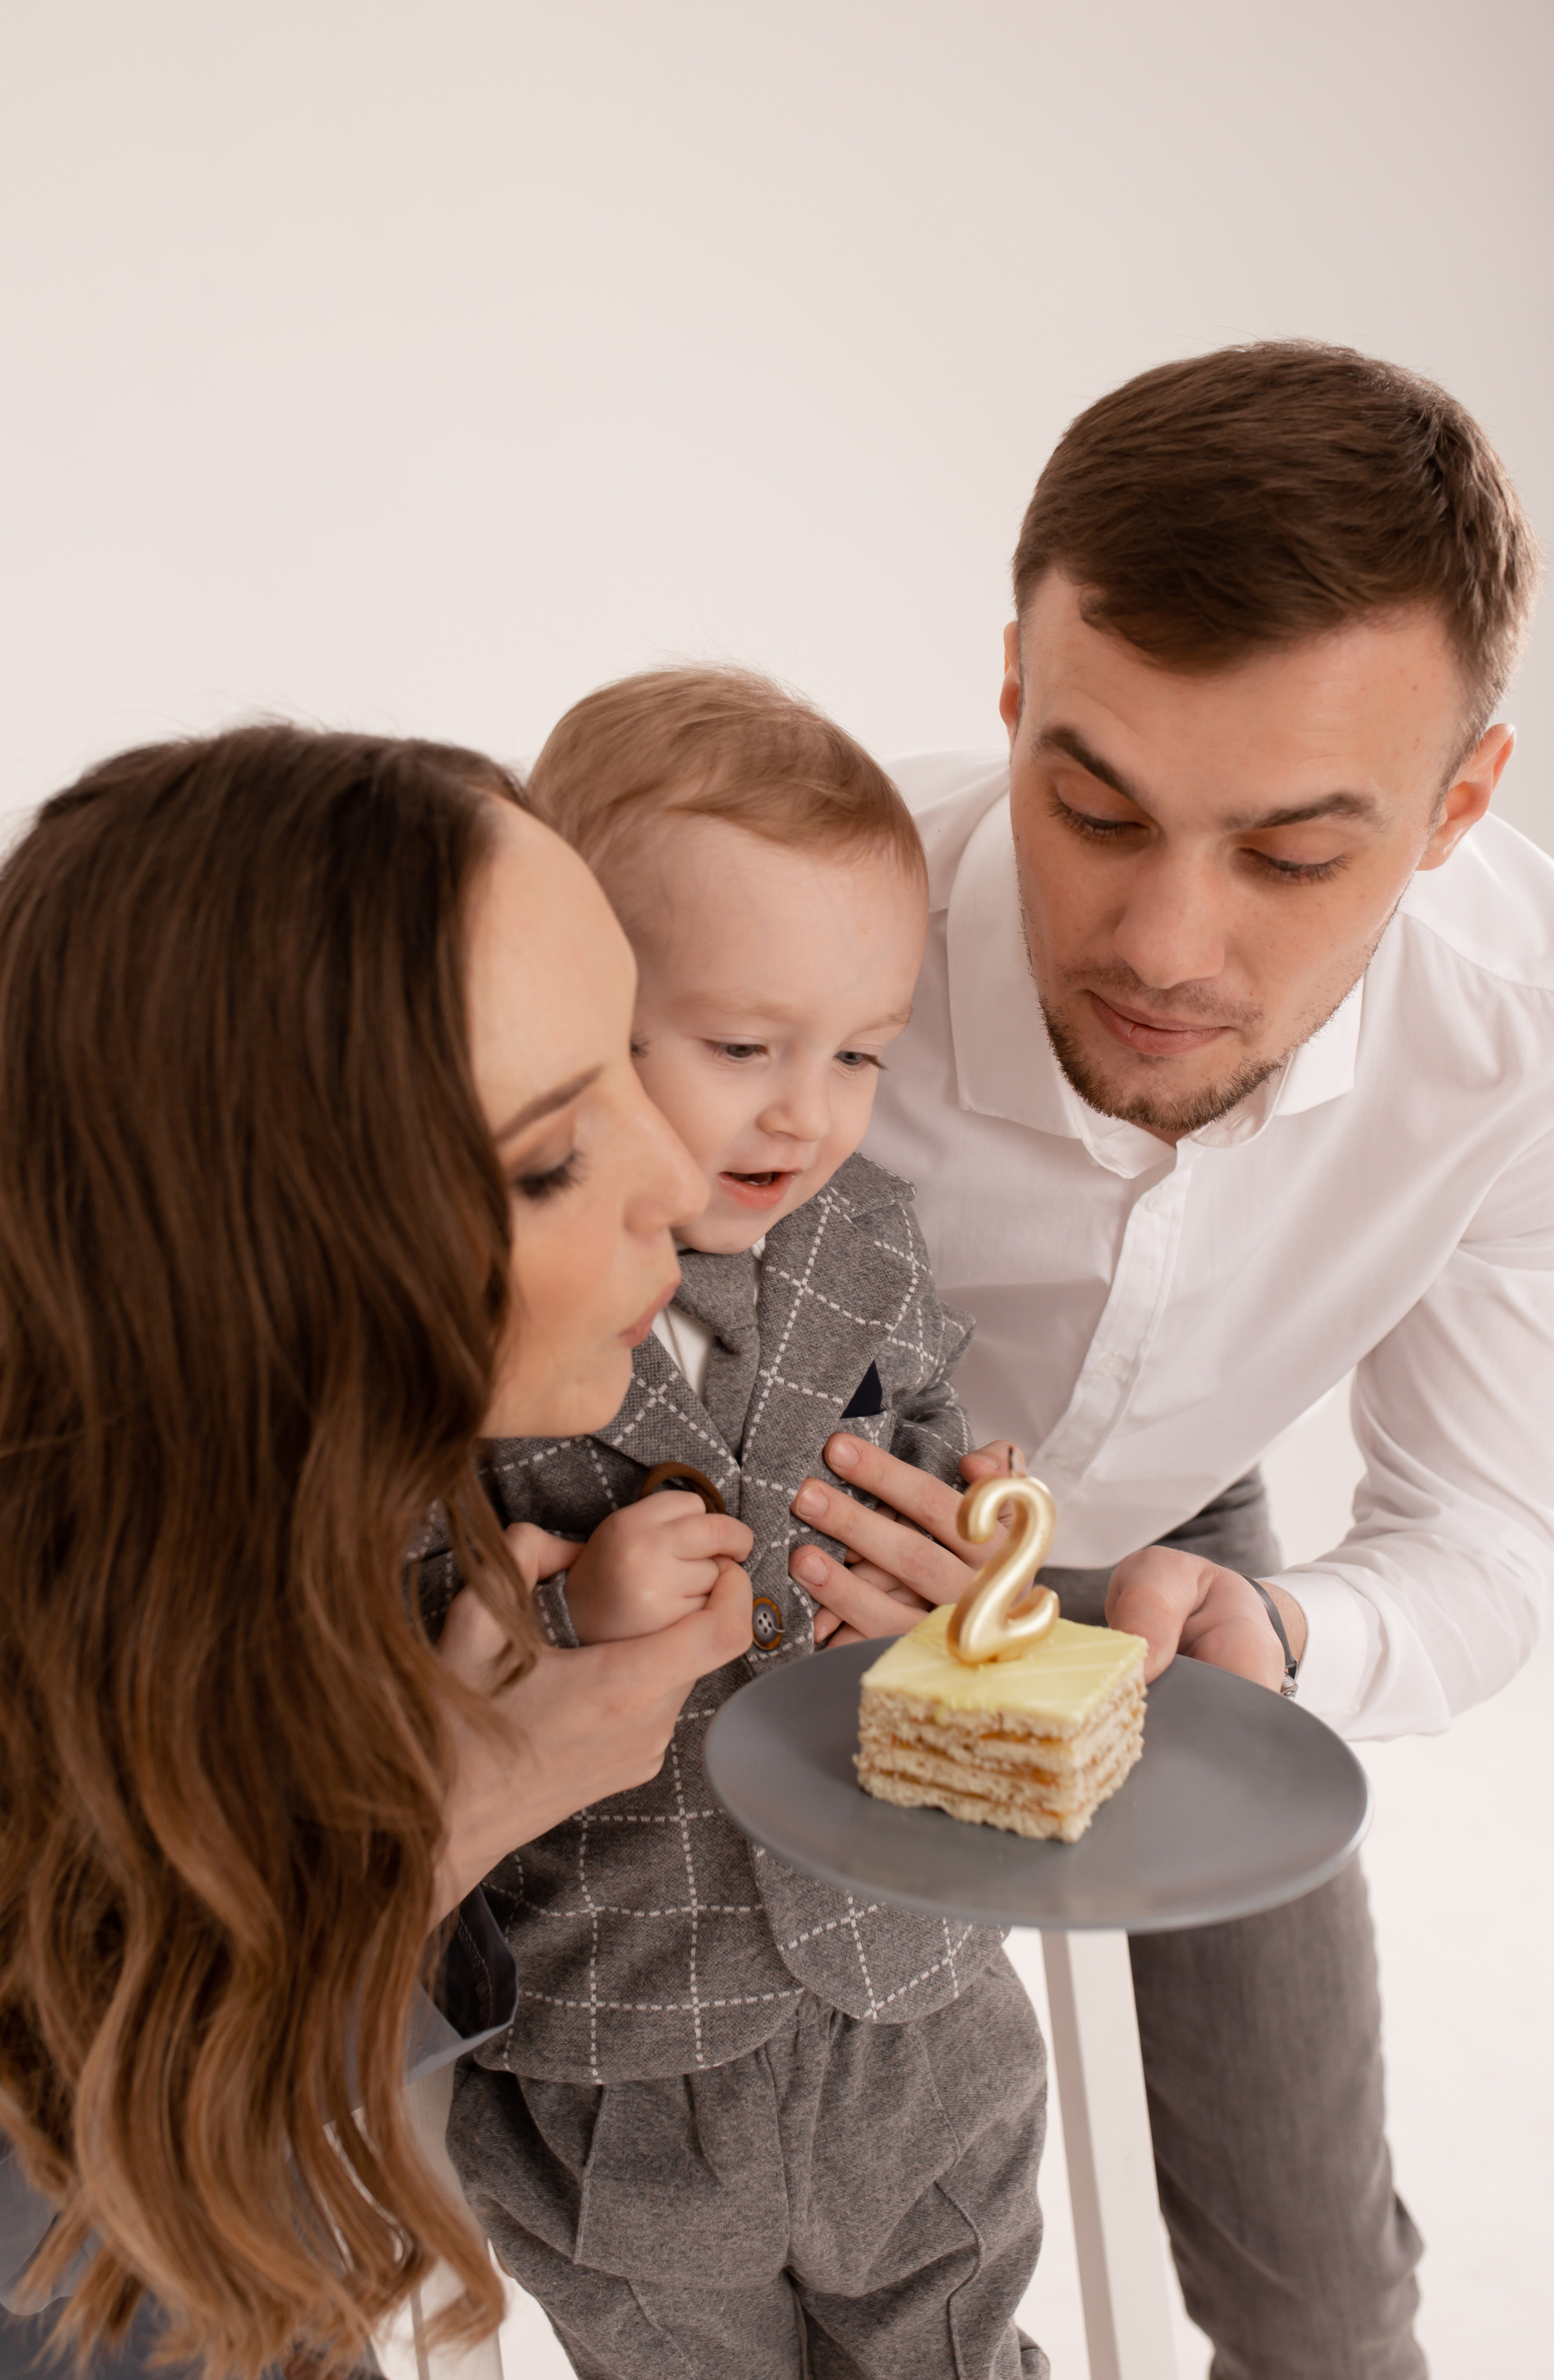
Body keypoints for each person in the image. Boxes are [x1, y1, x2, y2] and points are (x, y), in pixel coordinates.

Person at [787, 343, 1554, 2380]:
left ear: (1459, 807)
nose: (1163, 944)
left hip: (1179, 1545)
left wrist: (1284, 1635)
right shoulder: (794, 940)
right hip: (794, 1553)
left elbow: (1491, 1533)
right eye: (1093, 807)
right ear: (1013, 695)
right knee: (863, 2265)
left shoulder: (1537, 1032)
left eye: (1294, 856)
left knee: (1325, 2298)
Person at [0, 724, 753, 2379]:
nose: (681, 1179)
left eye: (632, 1056)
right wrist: (435, 1836)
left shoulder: (315, 1535)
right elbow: (104, 2275)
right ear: (270, 1258)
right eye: (549, 1160)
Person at [418, 667, 1048, 2380]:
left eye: (858, 1054)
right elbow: (398, 1624)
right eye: (744, 1047)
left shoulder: (867, 1234)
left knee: (961, 2338)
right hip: (624, 2037)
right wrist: (570, 1616)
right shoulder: (465, 1295)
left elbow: (931, 1448)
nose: (806, 1110)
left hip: (906, 2008)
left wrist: (970, 1571)